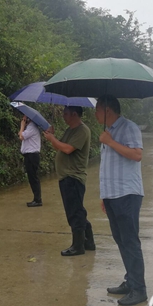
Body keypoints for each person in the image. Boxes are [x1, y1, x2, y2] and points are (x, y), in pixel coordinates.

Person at [95, 95, 147, 306]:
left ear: (107, 110)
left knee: (130, 241)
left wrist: (111, 142)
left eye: (97, 109)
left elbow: (137, 155)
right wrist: (104, 195)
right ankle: (130, 281)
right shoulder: (107, 132)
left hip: (127, 194)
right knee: (121, 240)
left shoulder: (129, 127)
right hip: (112, 195)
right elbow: (109, 165)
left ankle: (139, 289)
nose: (95, 114)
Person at [43, 106, 95, 256]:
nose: (63, 116)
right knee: (76, 210)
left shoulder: (82, 130)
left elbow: (67, 149)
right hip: (67, 177)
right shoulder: (70, 130)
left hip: (73, 176)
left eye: (66, 113)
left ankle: (78, 246)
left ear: (74, 114)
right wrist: (52, 137)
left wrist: (52, 139)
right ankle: (88, 241)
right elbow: (59, 147)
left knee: (75, 212)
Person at [19, 115, 42, 207]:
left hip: (32, 155)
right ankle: (36, 199)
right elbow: (20, 134)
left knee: (33, 178)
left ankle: (38, 200)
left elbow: (21, 137)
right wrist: (23, 127)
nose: (23, 120)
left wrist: (22, 125)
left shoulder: (32, 127)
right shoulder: (30, 127)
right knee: (32, 177)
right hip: (30, 156)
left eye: (24, 119)